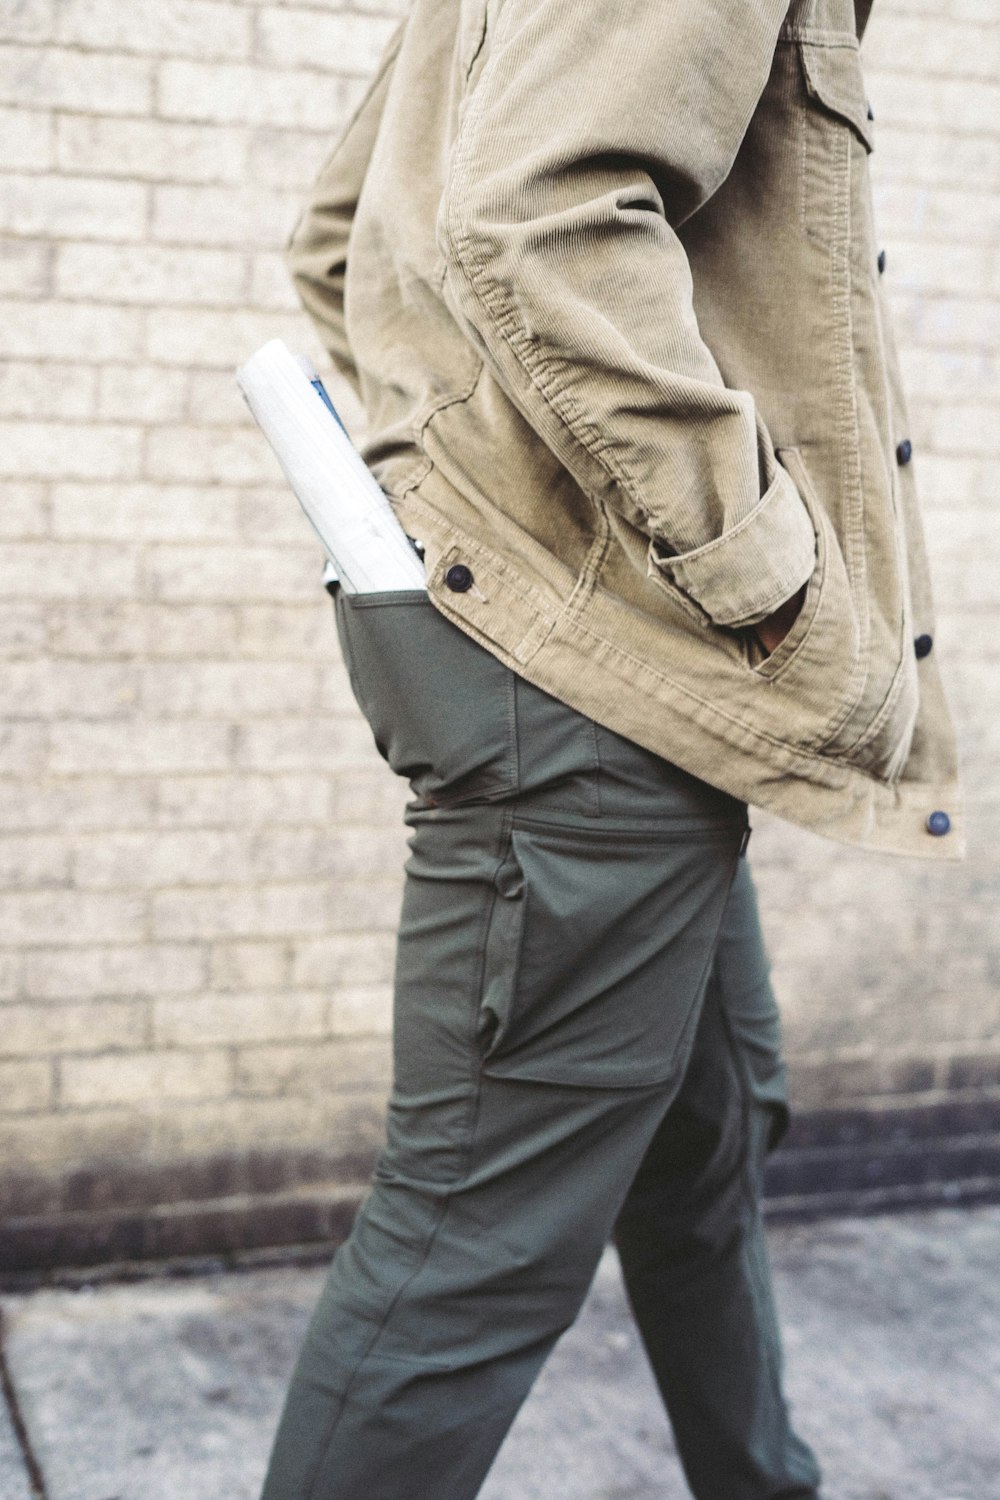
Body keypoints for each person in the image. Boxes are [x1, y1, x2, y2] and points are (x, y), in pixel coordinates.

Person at [260, 1, 962, 1496]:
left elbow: (343, 241)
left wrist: (445, 500)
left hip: (620, 689)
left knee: (704, 1140)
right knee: (472, 1240)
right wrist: (764, 573)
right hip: (586, 693)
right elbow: (540, 215)